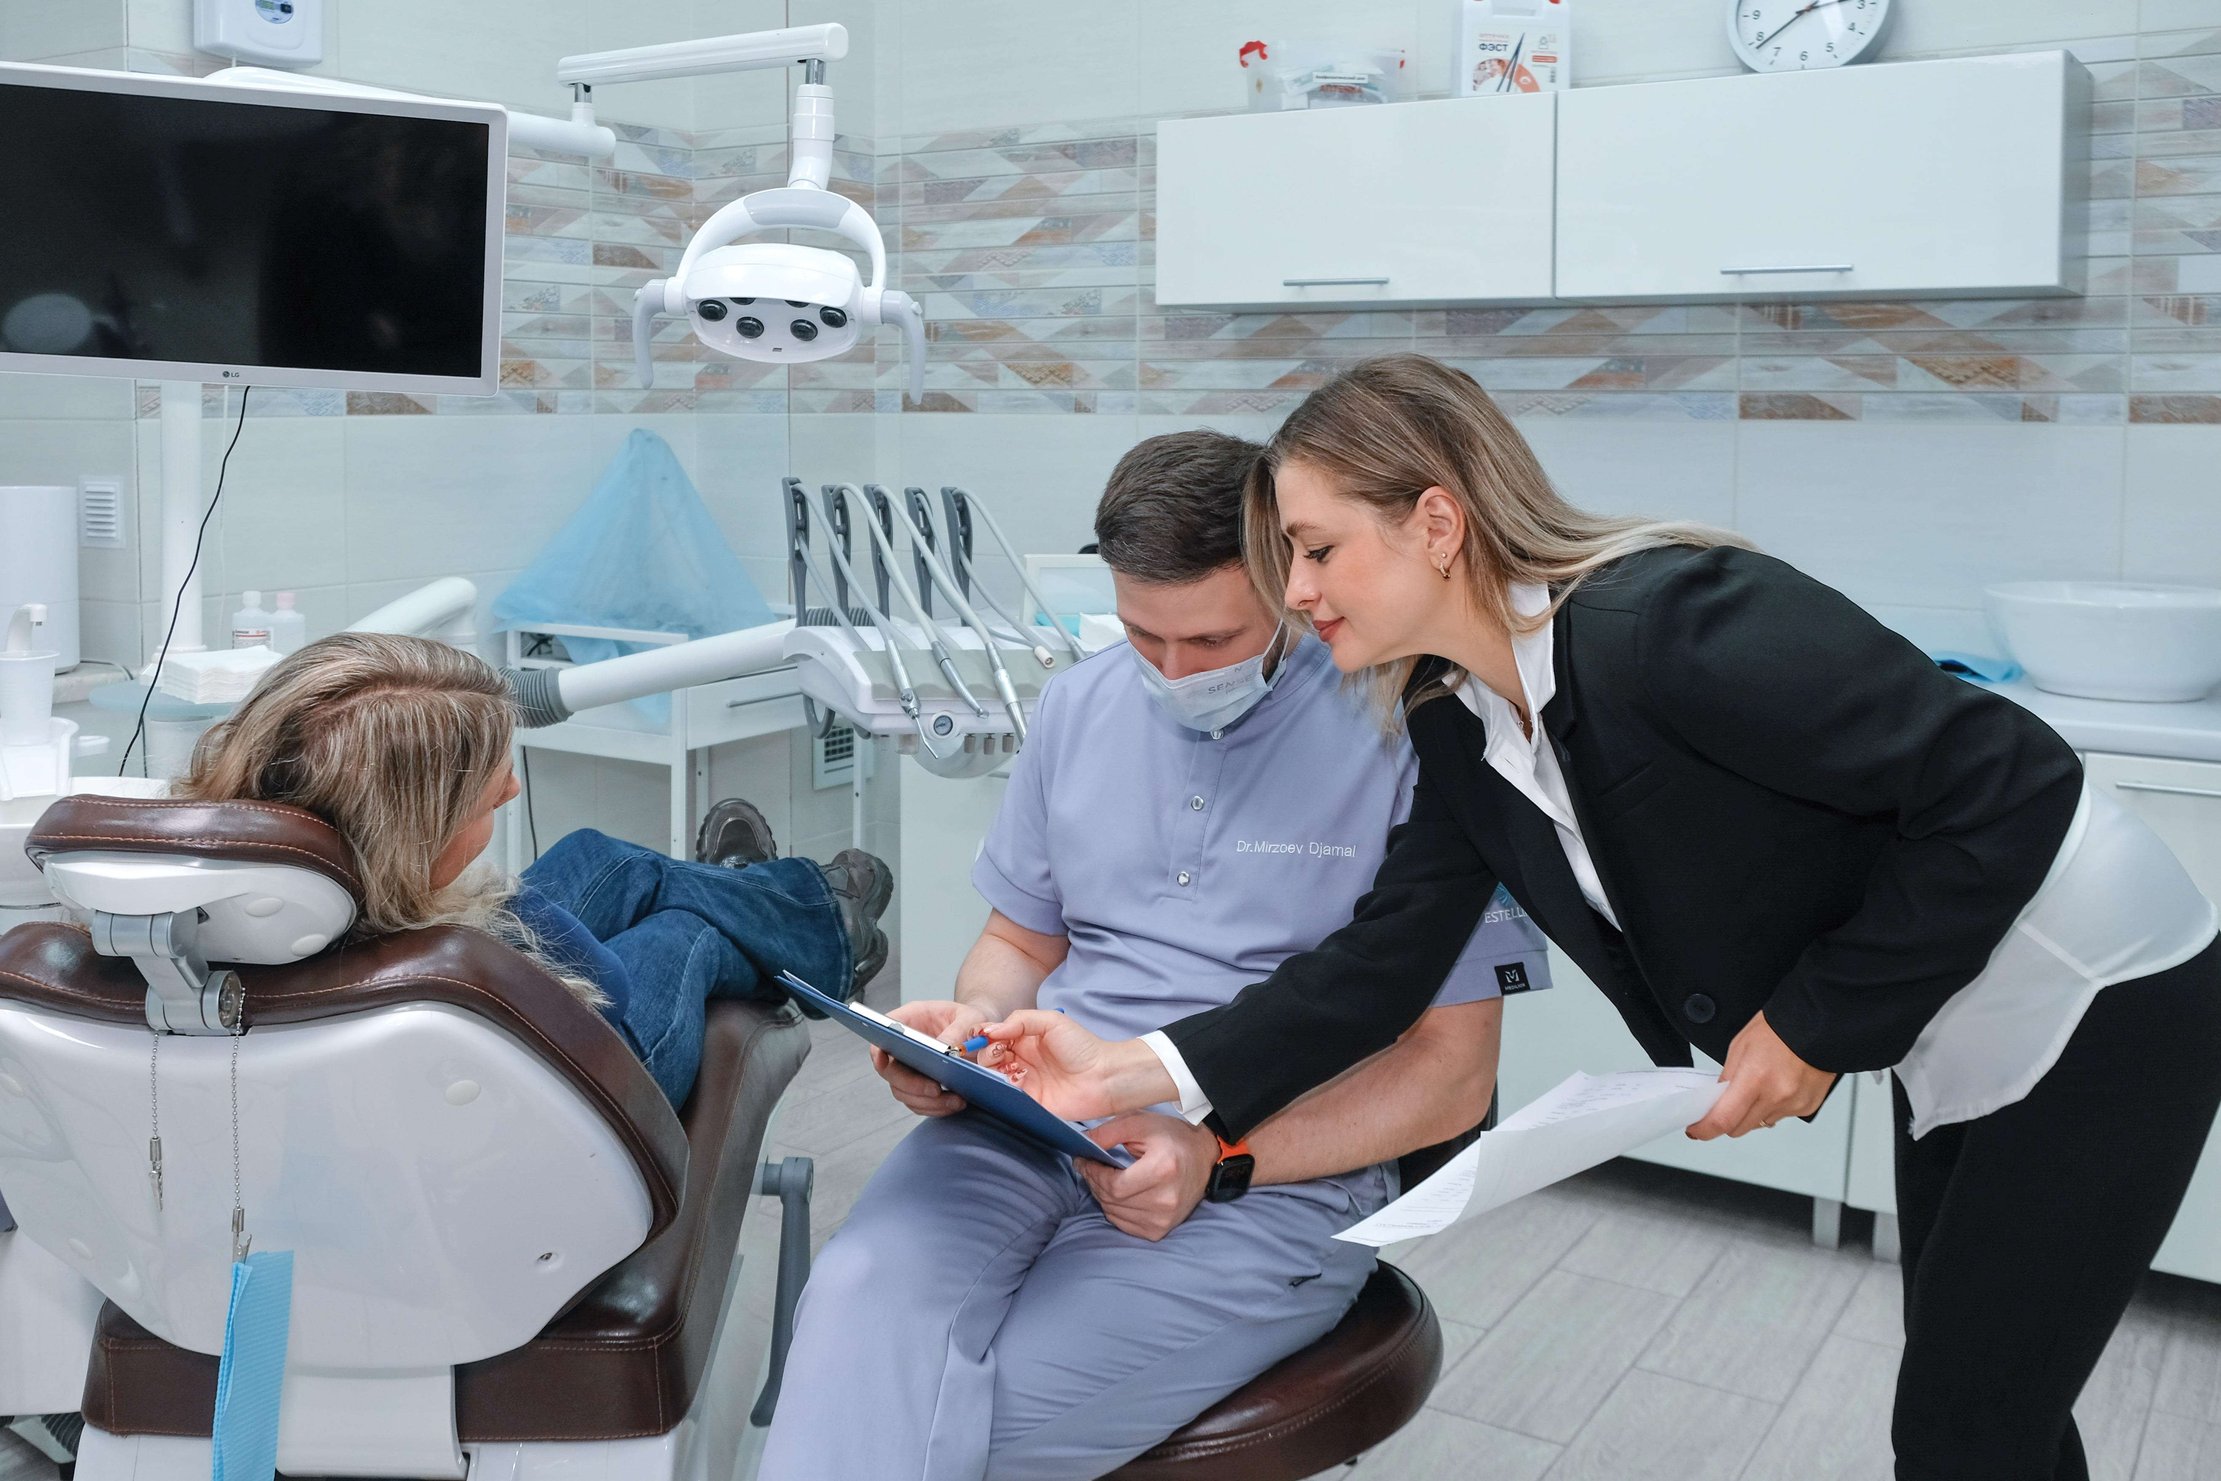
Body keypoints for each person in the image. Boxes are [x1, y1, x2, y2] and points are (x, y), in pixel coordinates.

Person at [980, 354, 2221, 1481]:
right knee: (1993, 1400)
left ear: (1435, 522)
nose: (1293, 589)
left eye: (1313, 549)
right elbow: (1380, 961)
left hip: (2092, 984)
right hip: (1950, 1014)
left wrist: (1813, 1021)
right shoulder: (1459, 719)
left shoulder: (1671, 621)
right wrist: (1134, 1068)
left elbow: (2011, 785)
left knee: (1963, 1428)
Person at [757, 430, 1549, 1481]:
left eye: (1213, 638)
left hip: (1265, 1173)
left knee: (958, 1423)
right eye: (1143, 635)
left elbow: (1452, 1076)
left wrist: (1222, 1154)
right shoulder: (1078, 705)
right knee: (852, 1309)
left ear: (1292, 580)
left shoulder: (1415, 731)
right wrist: (973, 1033)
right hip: (1028, 1126)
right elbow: (1018, 938)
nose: (1175, 672)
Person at [174, 631, 892, 1107]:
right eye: (489, 793)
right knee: (687, 927)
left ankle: (775, 898)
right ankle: (795, 920)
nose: (512, 789)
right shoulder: (453, 956)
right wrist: (503, 903)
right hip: (596, 1073)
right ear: (412, 835)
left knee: (597, 857)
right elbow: (609, 990)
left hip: (475, 1016)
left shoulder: (240, 882)